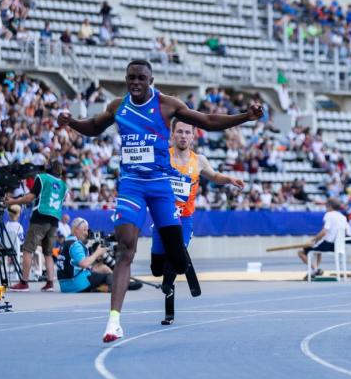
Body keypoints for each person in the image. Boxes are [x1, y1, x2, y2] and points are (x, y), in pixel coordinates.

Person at [57, 59, 262, 343]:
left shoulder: (167, 105)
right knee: (126, 250)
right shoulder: (119, 106)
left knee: (177, 261)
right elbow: (93, 126)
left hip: (161, 187)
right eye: (131, 78)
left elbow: (209, 121)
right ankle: (113, 322)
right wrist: (72, 123)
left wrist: (245, 117)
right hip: (131, 186)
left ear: (150, 80)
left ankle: (177, 263)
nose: (136, 83)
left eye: (141, 78)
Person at [151, 120, 244, 313]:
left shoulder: (199, 160)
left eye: (187, 132)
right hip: (162, 216)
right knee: (156, 268)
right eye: (180, 132)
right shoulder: (162, 156)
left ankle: (167, 285)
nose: (183, 136)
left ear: (193, 137)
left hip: (184, 219)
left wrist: (229, 179)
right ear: (173, 135)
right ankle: (165, 276)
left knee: (176, 257)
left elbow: (214, 176)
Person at [6, 162, 68, 292]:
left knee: (28, 249)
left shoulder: (42, 178)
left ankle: (24, 282)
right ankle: (50, 282)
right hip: (55, 220)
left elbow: (29, 198)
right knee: (48, 252)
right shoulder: (64, 185)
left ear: (49, 169)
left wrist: (13, 201)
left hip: (41, 216)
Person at [56, 217, 112, 293]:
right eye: (84, 230)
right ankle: (109, 288)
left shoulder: (65, 242)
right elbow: (84, 263)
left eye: (87, 230)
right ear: (76, 229)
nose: (86, 233)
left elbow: (73, 265)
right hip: (77, 283)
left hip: (65, 286)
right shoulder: (75, 244)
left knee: (103, 268)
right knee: (110, 277)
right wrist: (97, 253)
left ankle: (99, 287)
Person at [299, 198, 350, 279]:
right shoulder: (343, 217)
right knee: (317, 250)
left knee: (301, 252)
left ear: (329, 206)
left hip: (328, 244)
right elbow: (347, 232)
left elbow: (324, 232)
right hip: (338, 245)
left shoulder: (329, 215)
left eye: (326, 206)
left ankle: (315, 270)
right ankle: (315, 271)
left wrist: (314, 239)